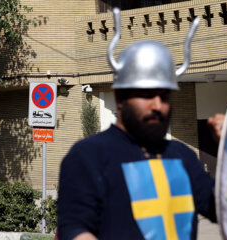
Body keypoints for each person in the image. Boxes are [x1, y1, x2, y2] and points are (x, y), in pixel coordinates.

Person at [57, 9, 217, 240]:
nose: (157, 105)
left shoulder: (183, 156)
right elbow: (75, 229)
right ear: (121, 98)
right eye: (146, 94)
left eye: (164, 96)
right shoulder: (88, 155)